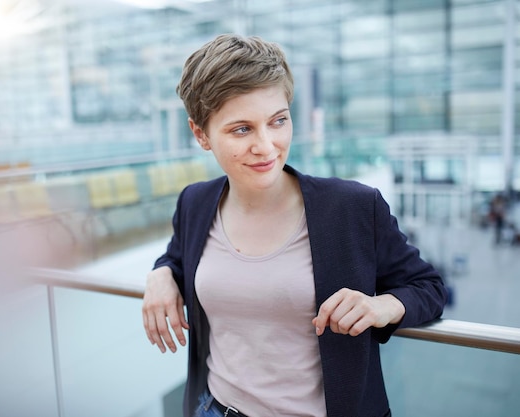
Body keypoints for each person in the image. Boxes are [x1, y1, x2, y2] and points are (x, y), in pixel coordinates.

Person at [142, 34, 447, 417]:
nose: (267, 146)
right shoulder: (195, 202)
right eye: (242, 129)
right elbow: (177, 257)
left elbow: (428, 287)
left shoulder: (352, 207)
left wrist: (382, 306)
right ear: (200, 134)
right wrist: (161, 273)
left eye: (278, 121)